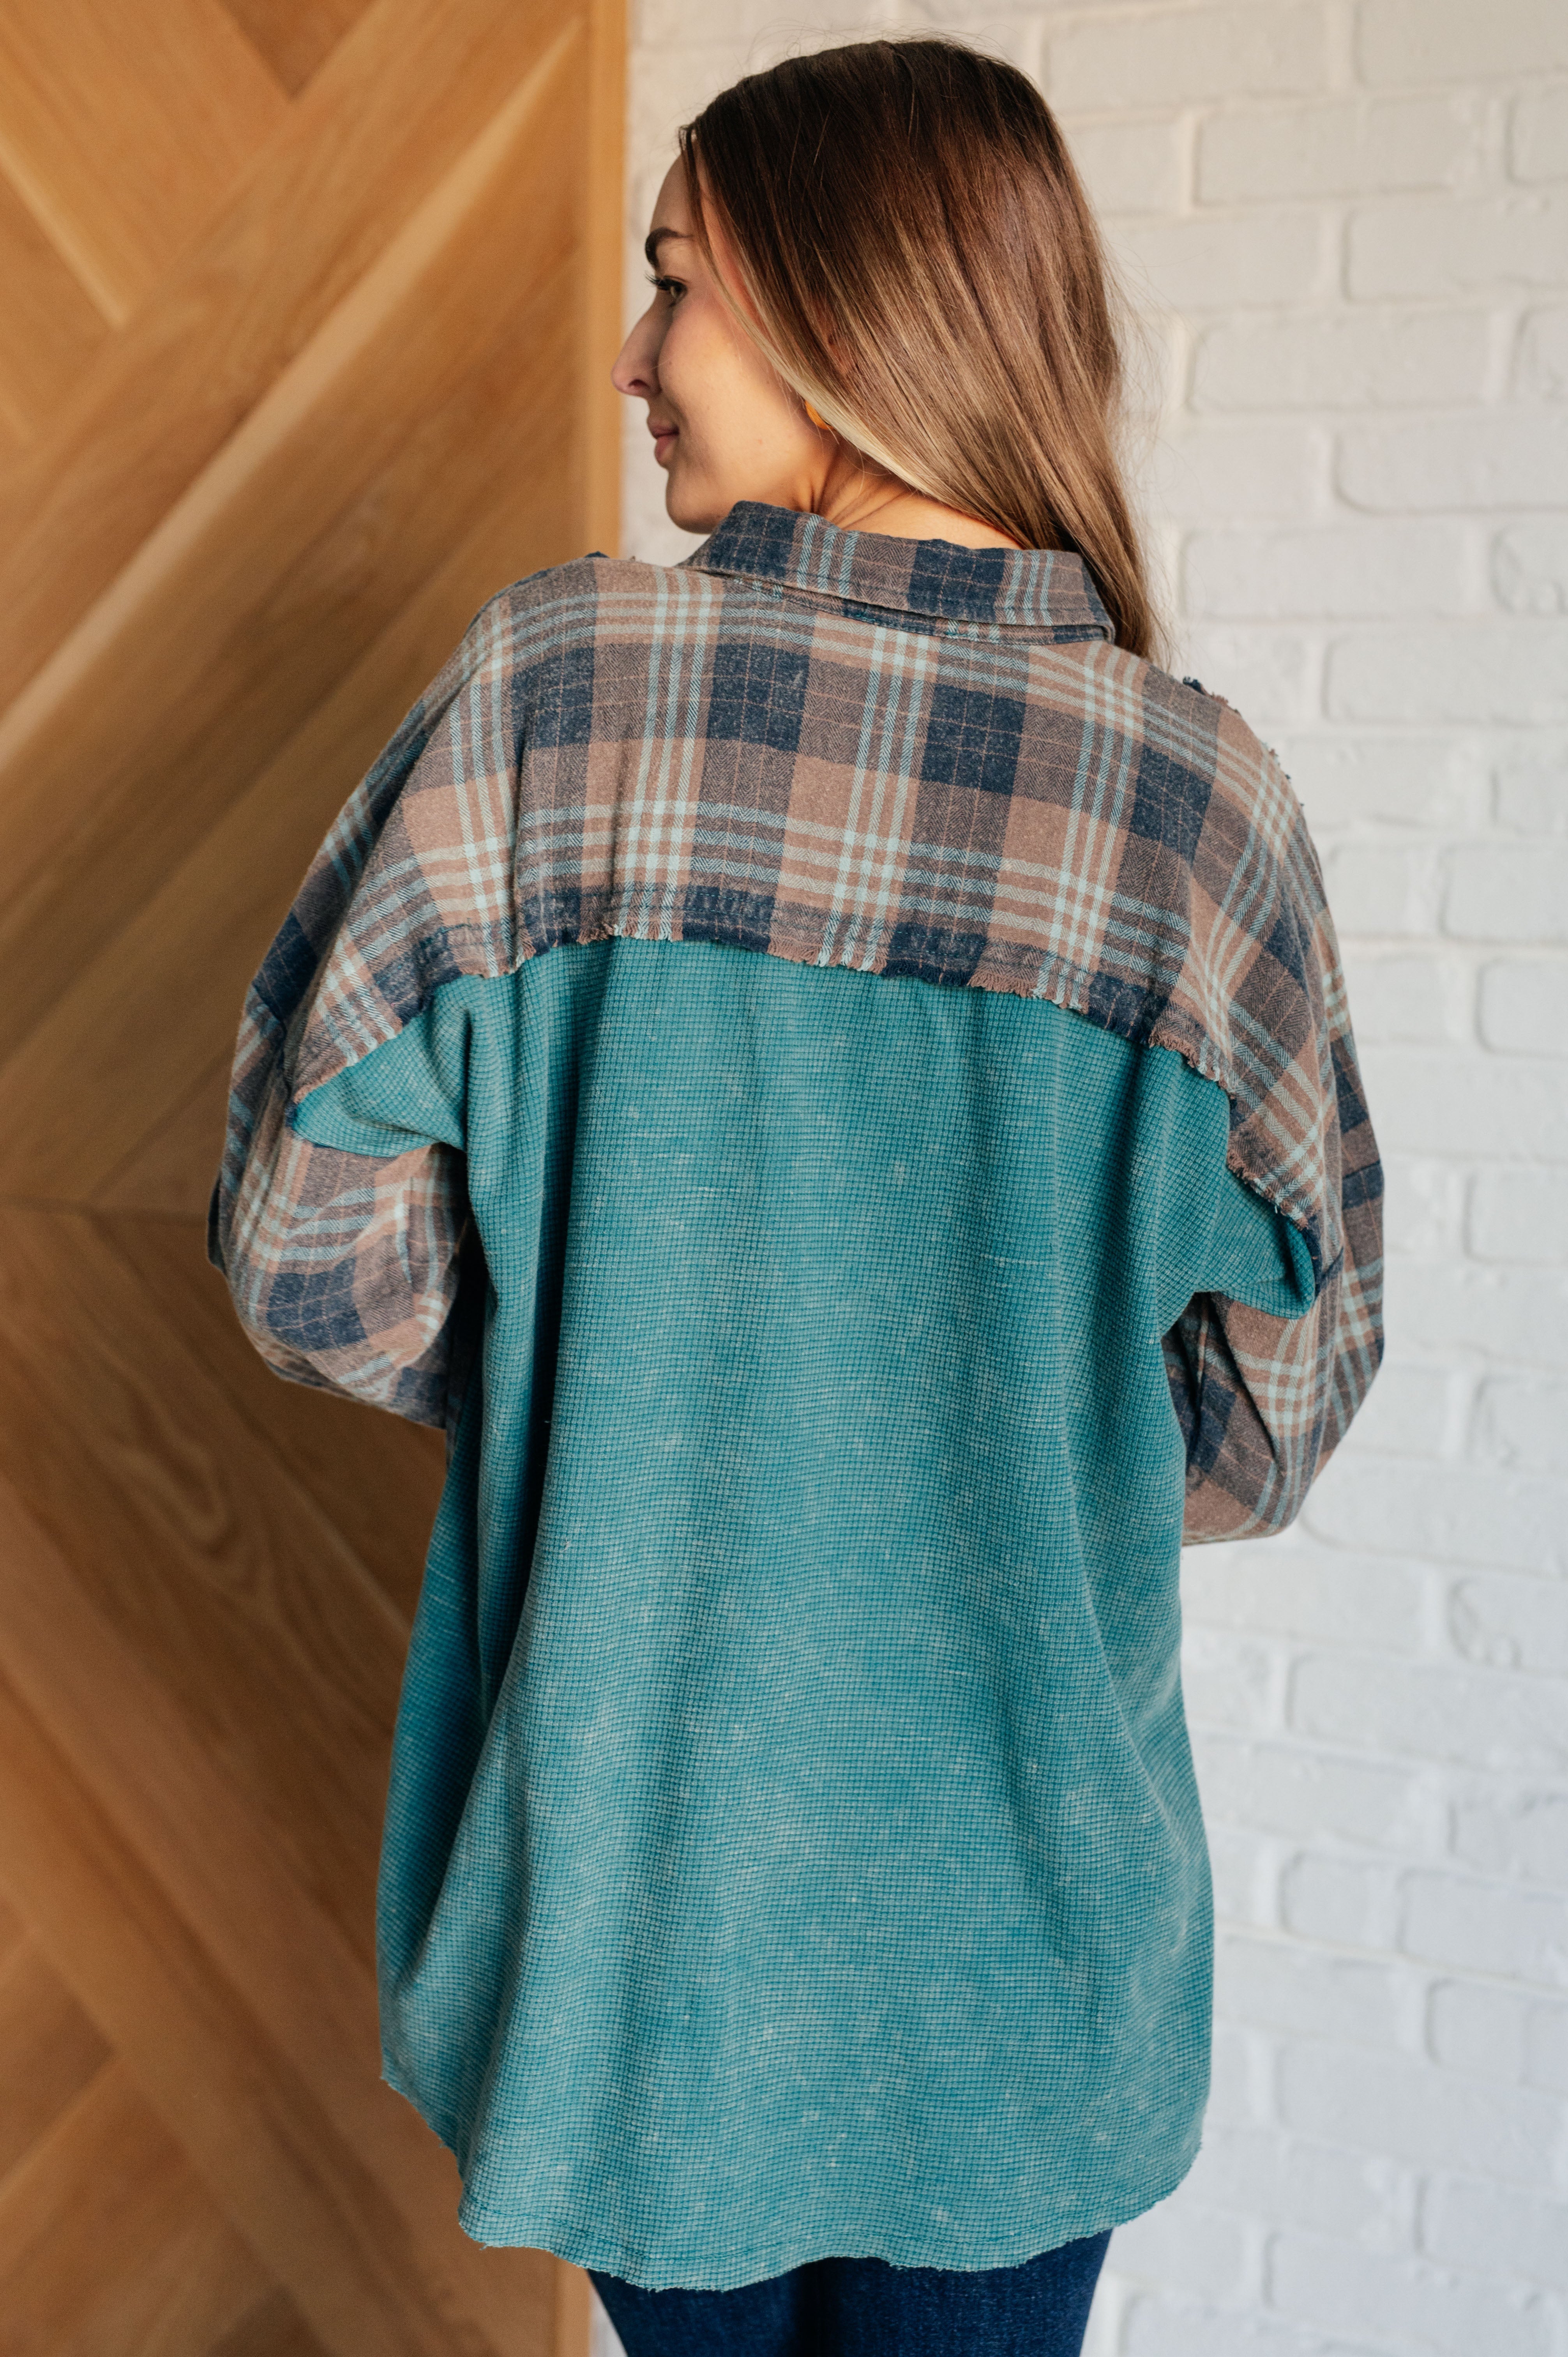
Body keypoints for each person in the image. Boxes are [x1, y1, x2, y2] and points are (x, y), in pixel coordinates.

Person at [208, 36, 1383, 2357]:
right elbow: (1270, 1415)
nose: (633, 356)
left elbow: (301, 1246)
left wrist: (614, 1355)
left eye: (679, 287)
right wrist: (976, 1443)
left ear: (860, 297)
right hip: (1021, 1933)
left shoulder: (558, 698)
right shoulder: (1192, 809)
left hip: (646, 1916)